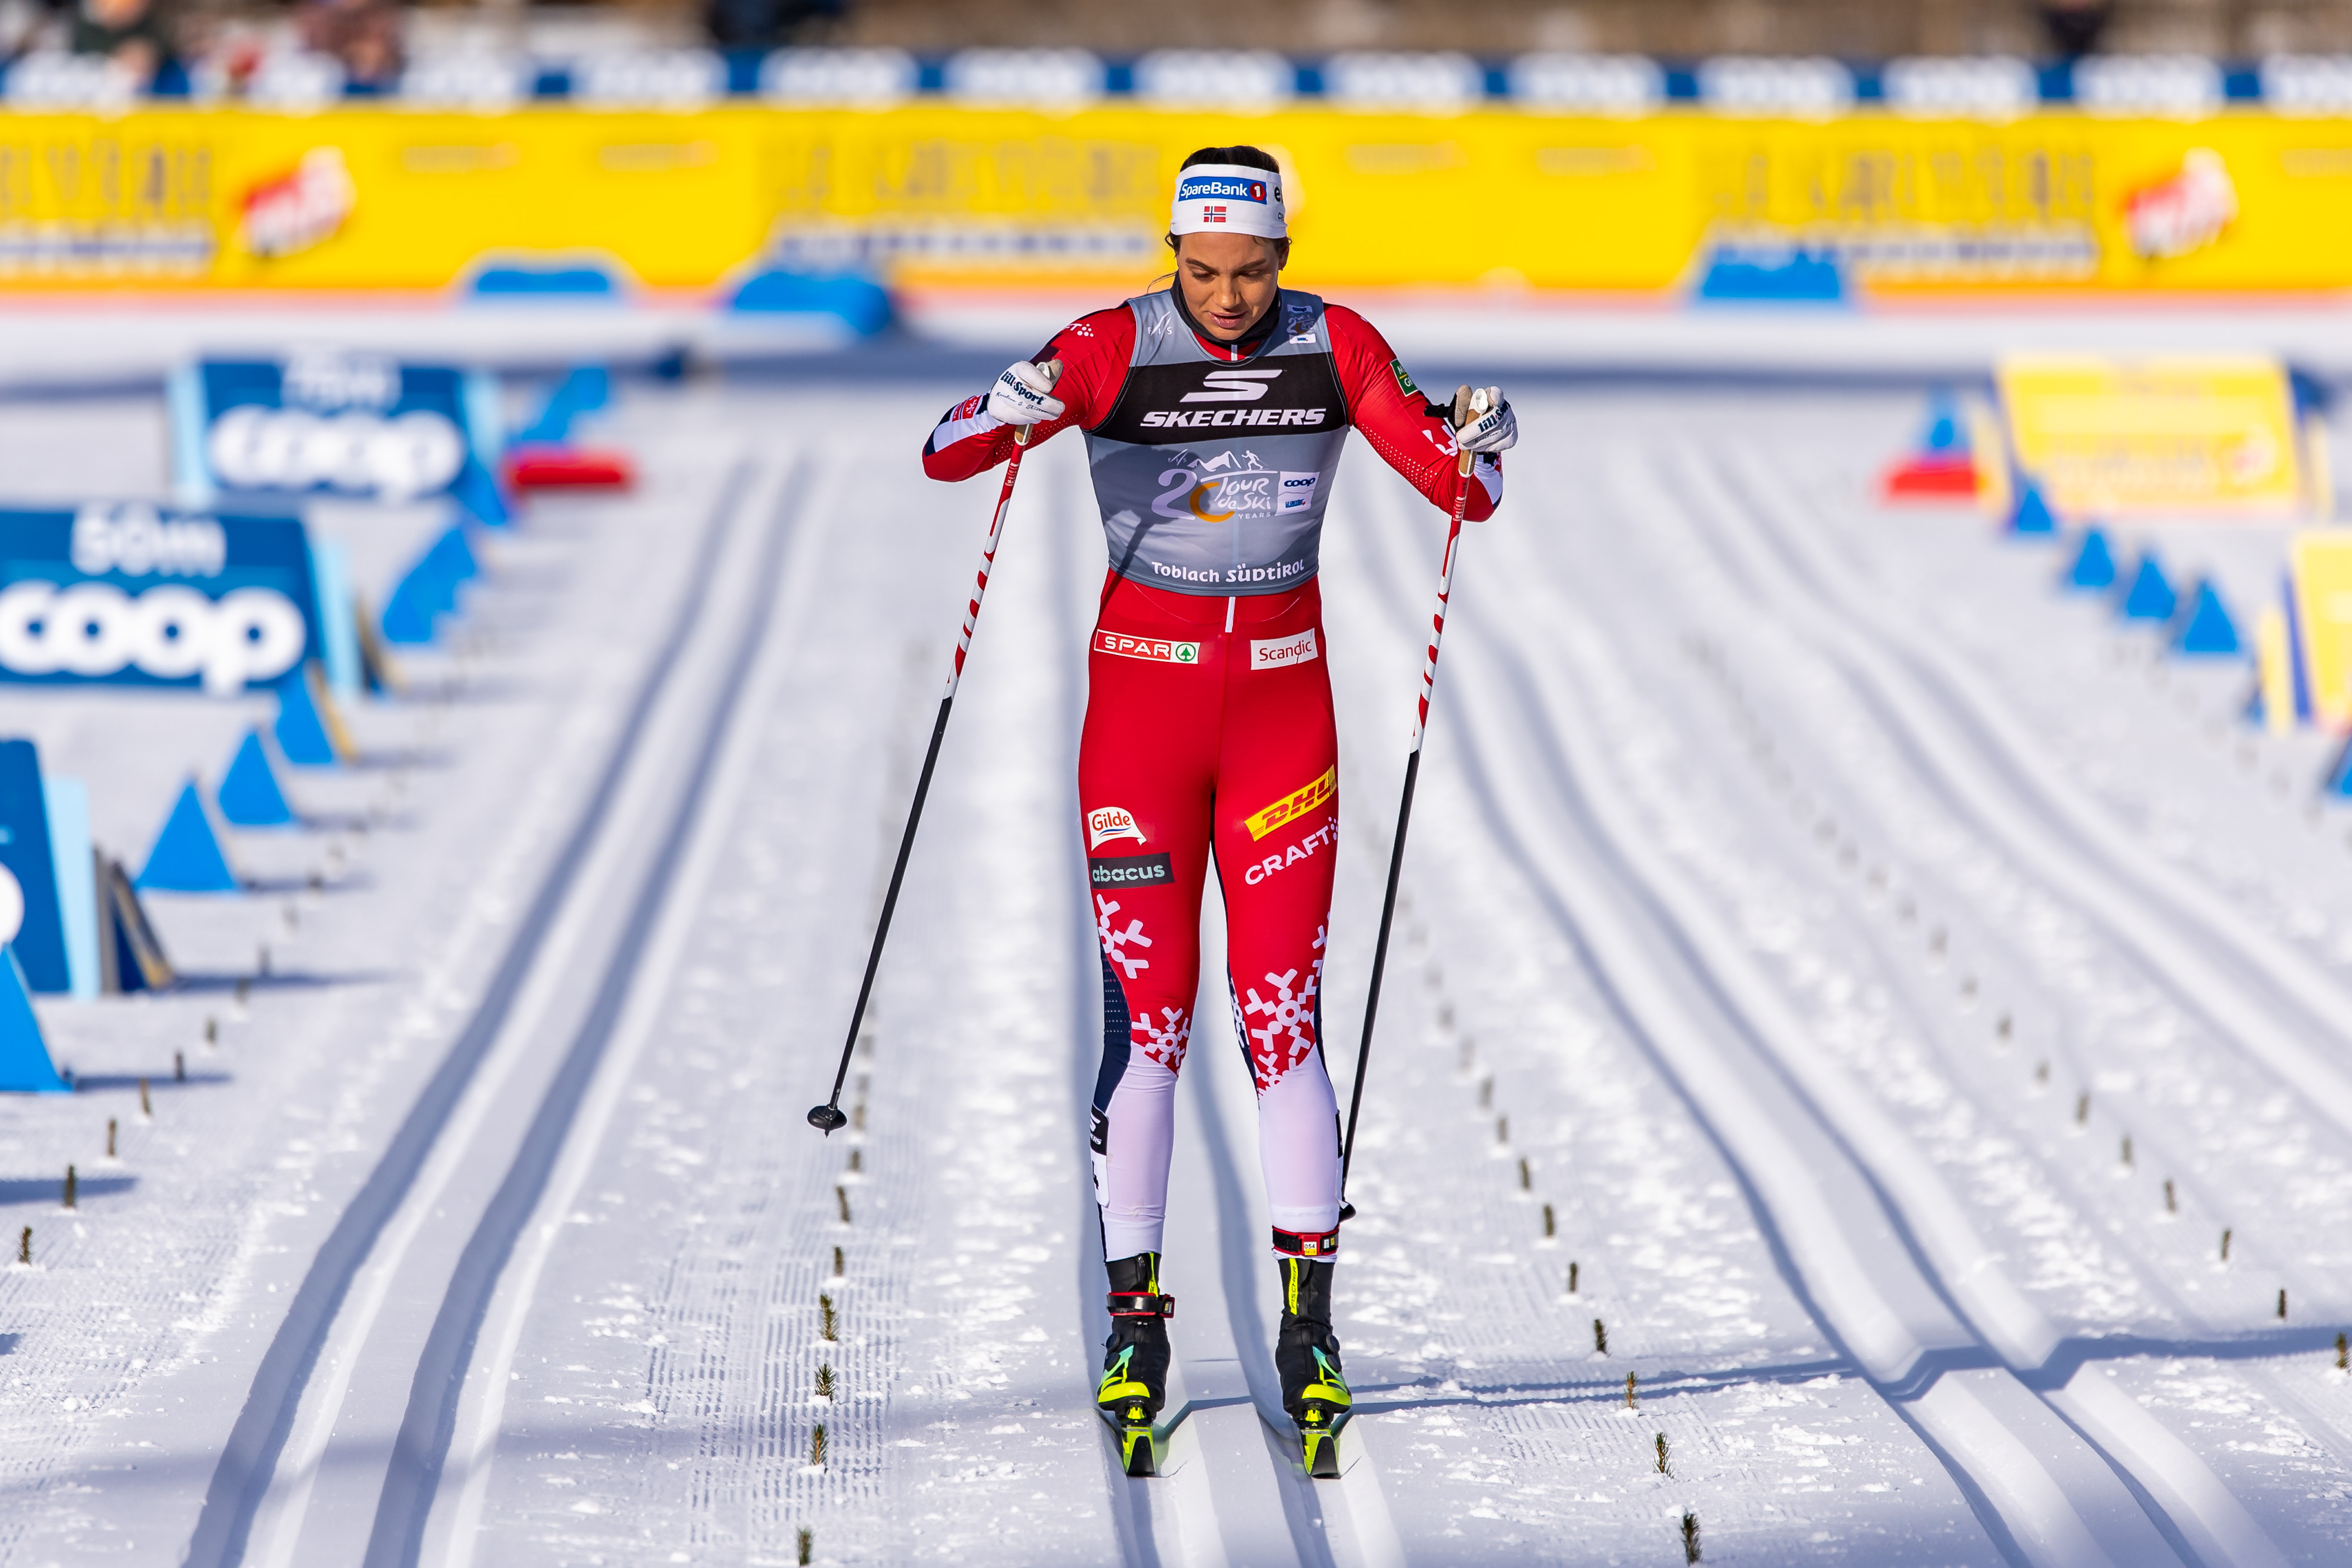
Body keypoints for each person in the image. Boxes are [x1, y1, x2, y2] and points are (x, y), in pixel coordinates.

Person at [918, 143, 1515, 1477]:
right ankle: (1136, 1320)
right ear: (1170, 251)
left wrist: (1482, 438)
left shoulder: (1336, 343)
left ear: (1283, 260)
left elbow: (1455, 488)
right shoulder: (1106, 345)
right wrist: (1007, 402)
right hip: (1141, 714)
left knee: (1276, 1016)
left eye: (1250, 272)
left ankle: (1309, 1323)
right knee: (1152, 1018)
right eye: (1201, 271)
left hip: (1281, 719)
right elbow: (943, 456)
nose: (1227, 297)